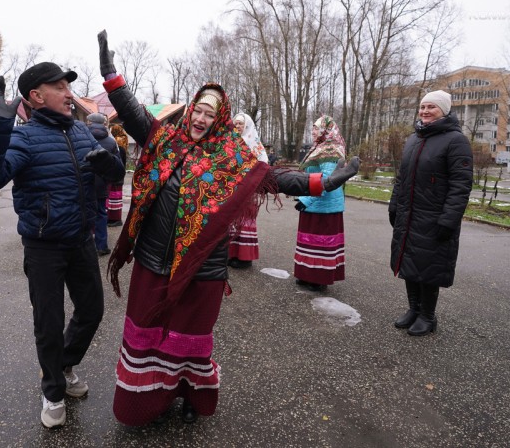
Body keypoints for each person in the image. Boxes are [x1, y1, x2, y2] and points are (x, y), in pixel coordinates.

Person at [97, 30, 359, 426]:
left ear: (219, 118)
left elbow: (273, 179)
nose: (201, 118)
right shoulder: (164, 140)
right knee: (147, 332)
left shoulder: (231, 156)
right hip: (153, 261)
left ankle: (188, 395)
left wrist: (323, 182)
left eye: (209, 113)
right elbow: (133, 114)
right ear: (190, 112)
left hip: (203, 270)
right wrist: (112, 77)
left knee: (189, 339)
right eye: (197, 110)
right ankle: (148, 402)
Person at [0, 62, 124, 429]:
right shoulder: (22, 137)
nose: (70, 94)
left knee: (91, 313)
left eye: (67, 87)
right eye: (60, 87)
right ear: (36, 96)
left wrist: (110, 163)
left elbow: (116, 177)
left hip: (81, 241)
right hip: (44, 247)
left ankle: (64, 365)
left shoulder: (84, 132)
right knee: (49, 323)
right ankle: (53, 389)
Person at [389, 90, 472, 336]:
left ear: (444, 110)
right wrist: (394, 204)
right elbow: (401, 177)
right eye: (423, 106)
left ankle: (427, 316)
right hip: (409, 214)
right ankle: (413, 309)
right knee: (410, 261)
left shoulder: (456, 141)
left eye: (431, 107)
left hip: (434, 216)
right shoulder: (413, 139)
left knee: (429, 266)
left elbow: (461, 185)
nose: (425, 111)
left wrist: (449, 219)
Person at [293, 115, 348, 292]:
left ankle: (318, 277)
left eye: (316, 128)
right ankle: (306, 273)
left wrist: (306, 199)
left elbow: (328, 180)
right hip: (313, 203)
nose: (313, 131)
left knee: (321, 242)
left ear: (327, 130)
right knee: (308, 241)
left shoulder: (331, 150)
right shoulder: (319, 147)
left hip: (325, 205)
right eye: (313, 128)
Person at [227, 112, 269, 269]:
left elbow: (263, 163)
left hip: (247, 190)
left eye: (240, 123)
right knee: (231, 221)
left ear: (247, 126)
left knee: (245, 221)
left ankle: (244, 257)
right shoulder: (230, 141)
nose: (237, 126)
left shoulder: (254, 143)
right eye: (235, 123)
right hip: (231, 190)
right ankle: (231, 253)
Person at [86, 112, 118, 256]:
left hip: (85, 182)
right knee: (101, 214)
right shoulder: (111, 142)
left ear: (91, 123)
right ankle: (101, 246)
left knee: (83, 213)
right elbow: (117, 166)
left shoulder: (82, 138)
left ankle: (84, 247)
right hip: (102, 184)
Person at [107, 124, 128, 227]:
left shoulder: (117, 144)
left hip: (117, 175)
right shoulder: (123, 141)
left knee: (115, 198)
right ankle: (113, 218)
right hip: (119, 174)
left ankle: (115, 219)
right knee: (115, 198)